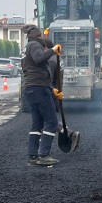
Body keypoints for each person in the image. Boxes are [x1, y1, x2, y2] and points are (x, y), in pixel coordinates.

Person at [21, 24, 62, 167]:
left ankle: (33, 155)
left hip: (32, 89)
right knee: (51, 122)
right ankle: (44, 155)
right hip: (39, 88)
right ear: (38, 36)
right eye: (41, 36)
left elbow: (38, 69)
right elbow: (39, 58)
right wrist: (52, 50)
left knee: (37, 123)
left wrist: (52, 89)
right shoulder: (34, 45)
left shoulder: (29, 46)